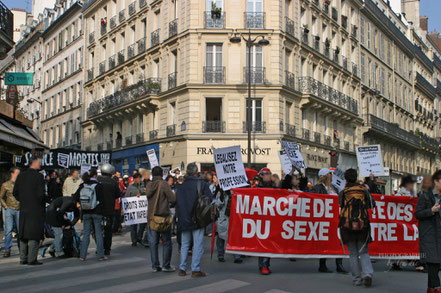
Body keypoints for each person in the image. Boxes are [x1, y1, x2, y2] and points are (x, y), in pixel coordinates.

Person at [339, 168, 375, 287]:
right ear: (356, 177)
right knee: (364, 252)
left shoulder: (344, 191)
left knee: (353, 254)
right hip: (362, 225)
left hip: (347, 225)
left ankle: (356, 279)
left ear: (346, 178)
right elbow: (372, 204)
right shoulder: (363, 190)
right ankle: (367, 274)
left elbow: (340, 205)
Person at [176, 163, 213, 277]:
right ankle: (195, 269)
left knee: (185, 244)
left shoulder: (181, 186)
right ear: (196, 172)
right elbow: (209, 199)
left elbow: (176, 202)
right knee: (197, 244)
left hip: (184, 218)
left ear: (187, 172)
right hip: (197, 218)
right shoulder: (201, 184)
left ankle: (182, 268)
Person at [312, 168, 347, 274]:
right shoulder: (317, 188)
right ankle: (322, 265)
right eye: (330, 174)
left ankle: (339, 265)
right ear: (325, 176)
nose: (332, 176)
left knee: (339, 241)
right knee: (325, 243)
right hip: (325, 218)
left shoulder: (334, 188)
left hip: (336, 218)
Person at [13, 157, 45, 265]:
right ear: (35, 163)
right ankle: (32, 258)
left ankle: (23, 258)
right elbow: (41, 195)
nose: (40, 164)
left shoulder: (21, 176)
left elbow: (15, 192)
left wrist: (23, 200)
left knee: (23, 233)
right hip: (35, 209)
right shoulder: (39, 176)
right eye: (39, 163)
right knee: (34, 234)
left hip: (24, 208)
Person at [146, 166, 176, 272]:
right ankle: (166, 265)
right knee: (167, 242)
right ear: (162, 174)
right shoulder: (163, 184)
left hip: (152, 217)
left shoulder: (149, 184)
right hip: (163, 217)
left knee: (153, 243)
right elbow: (172, 199)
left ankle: (155, 265)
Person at [415, 170, 441, 293]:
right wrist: (431, 210)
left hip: (439, 234)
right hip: (429, 235)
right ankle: (437, 288)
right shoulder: (425, 196)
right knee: (432, 262)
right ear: (436, 181)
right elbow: (417, 214)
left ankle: (431, 289)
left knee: (435, 264)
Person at [74, 169, 106, 261]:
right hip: (97, 212)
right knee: (98, 233)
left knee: (86, 234)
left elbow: (75, 197)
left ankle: (82, 256)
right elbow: (102, 200)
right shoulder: (98, 186)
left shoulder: (82, 185)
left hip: (86, 212)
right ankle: (100, 255)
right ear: (95, 175)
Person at [215, 178, 242, 264]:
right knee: (220, 237)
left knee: (234, 237)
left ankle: (236, 256)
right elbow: (217, 204)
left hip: (233, 218)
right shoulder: (221, 193)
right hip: (223, 218)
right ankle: (220, 255)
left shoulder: (236, 192)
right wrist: (222, 198)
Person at [254, 167, 275, 275]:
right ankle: (264, 265)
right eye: (267, 173)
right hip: (260, 219)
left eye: (270, 173)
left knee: (268, 243)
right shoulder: (257, 188)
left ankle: (264, 265)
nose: (269, 175)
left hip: (271, 219)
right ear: (261, 175)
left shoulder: (274, 187)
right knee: (263, 242)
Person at [97, 164, 121, 255]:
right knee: (108, 230)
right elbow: (117, 194)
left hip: (98, 208)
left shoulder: (97, 180)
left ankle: (99, 247)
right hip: (109, 209)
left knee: (98, 229)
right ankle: (107, 249)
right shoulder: (113, 182)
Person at [0, 167, 20, 257]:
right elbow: (1, 197)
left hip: (19, 209)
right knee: (8, 230)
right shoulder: (5, 185)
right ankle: (7, 249)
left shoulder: (21, 184)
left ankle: (22, 248)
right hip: (9, 209)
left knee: (20, 230)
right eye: (17, 173)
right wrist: (5, 207)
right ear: (12, 173)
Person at [126, 173, 147, 247]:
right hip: (133, 209)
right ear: (134, 179)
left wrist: (143, 193)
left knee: (143, 223)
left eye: (140, 178)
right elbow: (127, 197)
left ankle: (139, 237)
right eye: (137, 178)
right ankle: (134, 240)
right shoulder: (130, 187)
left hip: (141, 209)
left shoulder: (143, 186)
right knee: (133, 225)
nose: (139, 180)